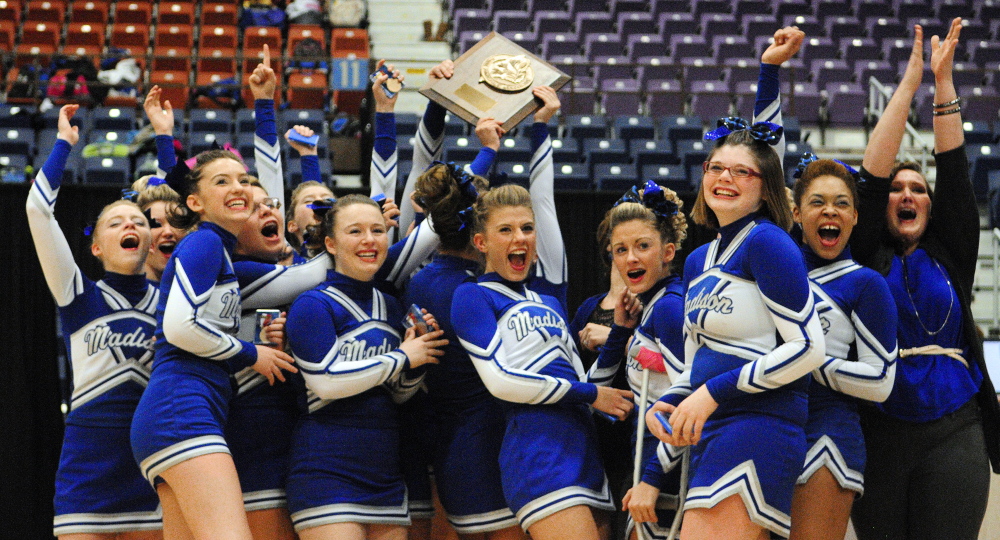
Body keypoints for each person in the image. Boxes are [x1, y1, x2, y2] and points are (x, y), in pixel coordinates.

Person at [130, 57, 300, 535]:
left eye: (243, 180)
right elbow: (179, 328)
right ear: (197, 203)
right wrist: (252, 353)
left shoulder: (224, 254)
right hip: (180, 410)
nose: (241, 188)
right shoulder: (204, 242)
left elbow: (296, 258)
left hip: (184, 413)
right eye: (223, 182)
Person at [849, 19, 1000, 540]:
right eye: (897, 189)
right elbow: (869, 179)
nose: (907, 194)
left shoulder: (949, 252)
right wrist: (909, 84)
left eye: (917, 188)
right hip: (879, 427)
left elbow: (954, 168)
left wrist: (943, 82)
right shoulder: (866, 254)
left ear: (930, 207)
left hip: (956, 425)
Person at [644, 115, 826, 539]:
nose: (725, 178)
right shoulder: (696, 260)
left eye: (742, 171)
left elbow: (809, 348)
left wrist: (712, 392)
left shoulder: (768, 242)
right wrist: (672, 398)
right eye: (716, 168)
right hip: (711, 428)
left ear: (765, 187)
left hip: (760, 424)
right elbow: (697, 358)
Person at [451, 177, 635, 540]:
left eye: (526, 228)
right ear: (481, 242)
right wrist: (589, 396)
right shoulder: (473, 297)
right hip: (538, 452)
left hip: (584, 449)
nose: (519, 238)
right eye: (505, 230)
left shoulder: (547, 301)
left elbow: (587, 384)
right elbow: (501, 382)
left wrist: (618, 336)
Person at [27, 104, 163, 539]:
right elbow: (37, 212)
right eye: (117, 222)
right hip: (87, 471)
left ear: (150, 239)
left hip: (151, 465)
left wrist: (164, 137)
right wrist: (63, 145)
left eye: (139, 222)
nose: (130, 225)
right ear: (97, 248)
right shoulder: (78, 293)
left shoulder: (174, 302)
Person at [284, 195, 449, 539]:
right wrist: (402, 357)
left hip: (385, 472)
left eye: (377, 230)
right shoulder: (312, 305)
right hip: (326, 469)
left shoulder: (390, 304)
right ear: (330, 243)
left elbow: (397, 395)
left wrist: (419, 358)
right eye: (355, 231)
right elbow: (325, 384)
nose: (369, 240)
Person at [786, 156, 898, 540]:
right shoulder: (771, 273)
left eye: (842, 203)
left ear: (853, 217)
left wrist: (806, 358)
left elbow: (881, 380)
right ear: (797, 213)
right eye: (817, 202)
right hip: (763, 425)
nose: (830, 210)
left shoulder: (865, 284)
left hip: (826, 433)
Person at [588, 182, 688, 540]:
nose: (631, 258)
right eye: (621, 249)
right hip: (643, 468)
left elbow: (687, 404)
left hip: (667, 476)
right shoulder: (649, 307)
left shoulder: (670, 308)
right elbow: (595, 393)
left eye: (643, 246)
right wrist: (619, 331)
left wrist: (651, 480)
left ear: (668, 251)